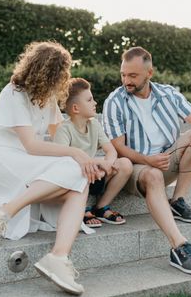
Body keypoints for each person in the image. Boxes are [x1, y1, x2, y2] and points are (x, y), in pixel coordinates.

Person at [0, 41, 102, 296]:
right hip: (4, 157)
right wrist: (75, 154)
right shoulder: (12, 93)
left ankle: (58, 257)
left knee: (79, 177)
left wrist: (85, 159)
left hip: (29, 160)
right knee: (74, 168)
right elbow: (32, 145)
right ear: (49, 72)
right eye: (62, 73)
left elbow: (59, 140)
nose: (64, 80)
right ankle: (3, 212)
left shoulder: (48, 99)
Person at [102, 46, 191, 275]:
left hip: (166, 160)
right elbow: (118, 147)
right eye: (123, 74)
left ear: (149, 73)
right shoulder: (115, 101)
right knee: (152, 175)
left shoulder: (168, 93)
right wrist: (147, 160)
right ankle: (179, 247)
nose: (126, 81)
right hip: (135, 167)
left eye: (133, 76)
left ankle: (178, 201)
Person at [54, 78, 133, 227]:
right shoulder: (64, 129)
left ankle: (101, 207)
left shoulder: (95, 124)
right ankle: (81, 209)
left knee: (125, 164)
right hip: (75, 178)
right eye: (89, 100)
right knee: (73, 170)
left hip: (94, 175)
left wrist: (108, 164)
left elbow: (110, 150)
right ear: (76, 108)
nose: (95, 103)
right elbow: (62, 163)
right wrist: (97, 162)